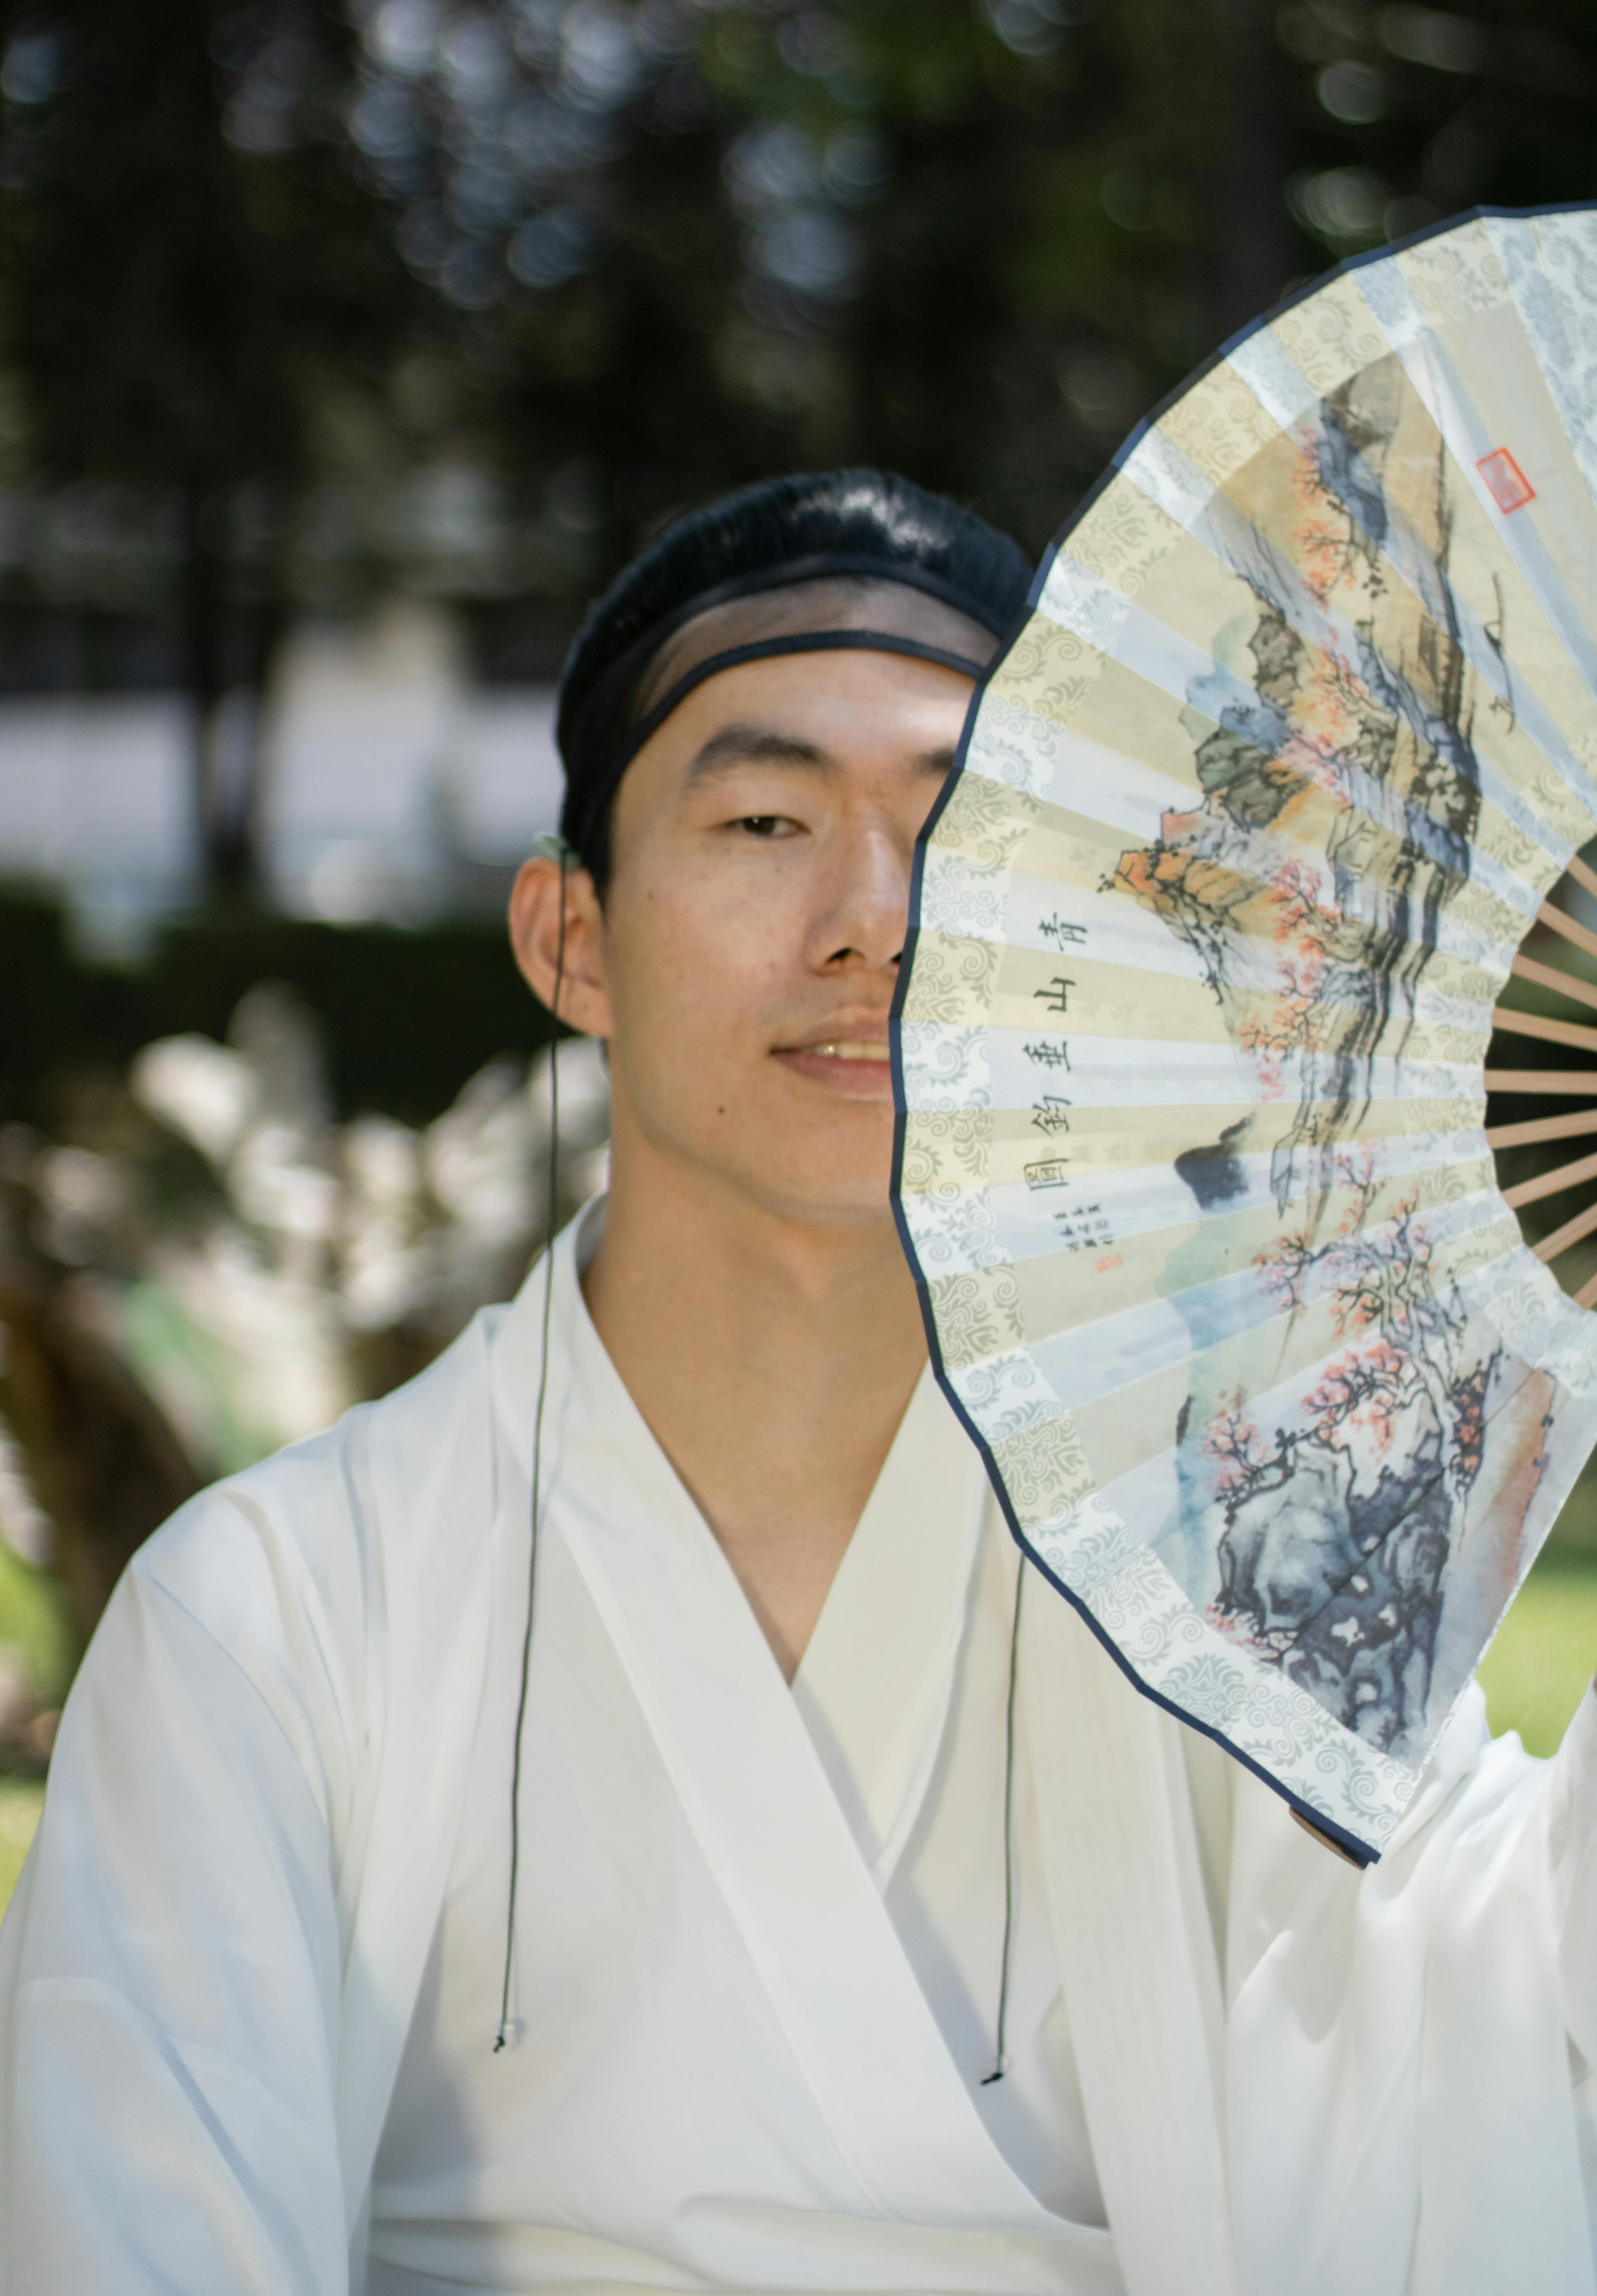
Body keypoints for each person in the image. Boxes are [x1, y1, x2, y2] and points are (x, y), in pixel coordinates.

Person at [1, 467, 1594, 2296]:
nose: (874, 920)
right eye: (764, 820)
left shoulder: (1238, 1557)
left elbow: (1505, 2017)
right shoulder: (275, 1618)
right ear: (570, 938)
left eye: (967, 824)